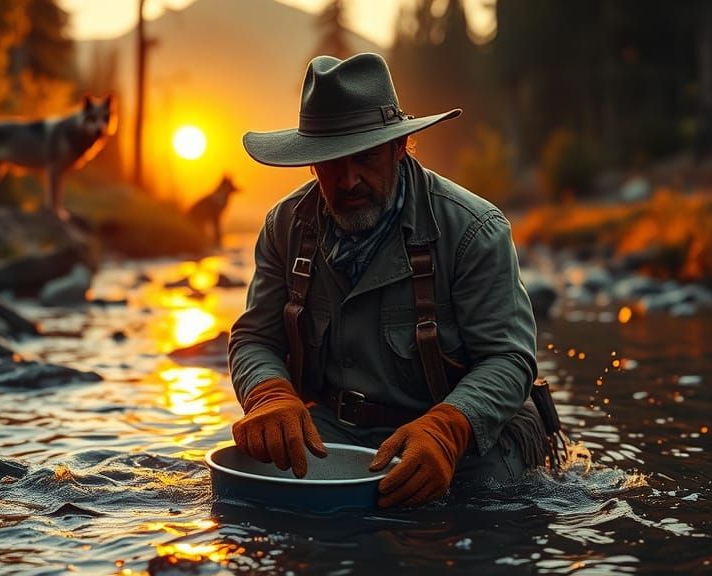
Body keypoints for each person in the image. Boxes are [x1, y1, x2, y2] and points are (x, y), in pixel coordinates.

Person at [229, 53, 548, 508]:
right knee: (253, 498)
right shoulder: (286, 226)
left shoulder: (473, 229)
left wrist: (446, 429)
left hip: (472, 434)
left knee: (479, 512)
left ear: (400, 148)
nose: (349, 178)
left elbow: (510, 359)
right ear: (310, 162)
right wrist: (268, 394)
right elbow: (253, 338)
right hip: (338, 430)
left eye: (366, 156)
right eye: (331, 161)